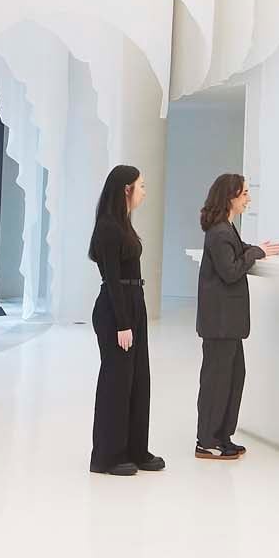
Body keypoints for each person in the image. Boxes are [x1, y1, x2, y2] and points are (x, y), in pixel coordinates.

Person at [194, 172, 279, 461]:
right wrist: (255, 253)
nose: (248, 198)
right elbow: (230, 271)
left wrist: (256, 250)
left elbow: (237, 252)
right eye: (244, 193)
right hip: (219, 323)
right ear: (230, 196)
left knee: (232, 378)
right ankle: (207, 440)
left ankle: (222, 436)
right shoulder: (219, 232)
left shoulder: (226, 229)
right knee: (217, 381)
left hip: (226, 323)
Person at [88, 163, 164, 476]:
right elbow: (113, 278)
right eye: (141, 185)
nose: (145, 191)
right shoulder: (108, 226)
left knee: (138, 380)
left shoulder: (124, 224)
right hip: (116, 308)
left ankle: (135, 449)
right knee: (116, 383)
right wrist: (122, 323)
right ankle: (107, 456)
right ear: (126, 189)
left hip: (134, 303)